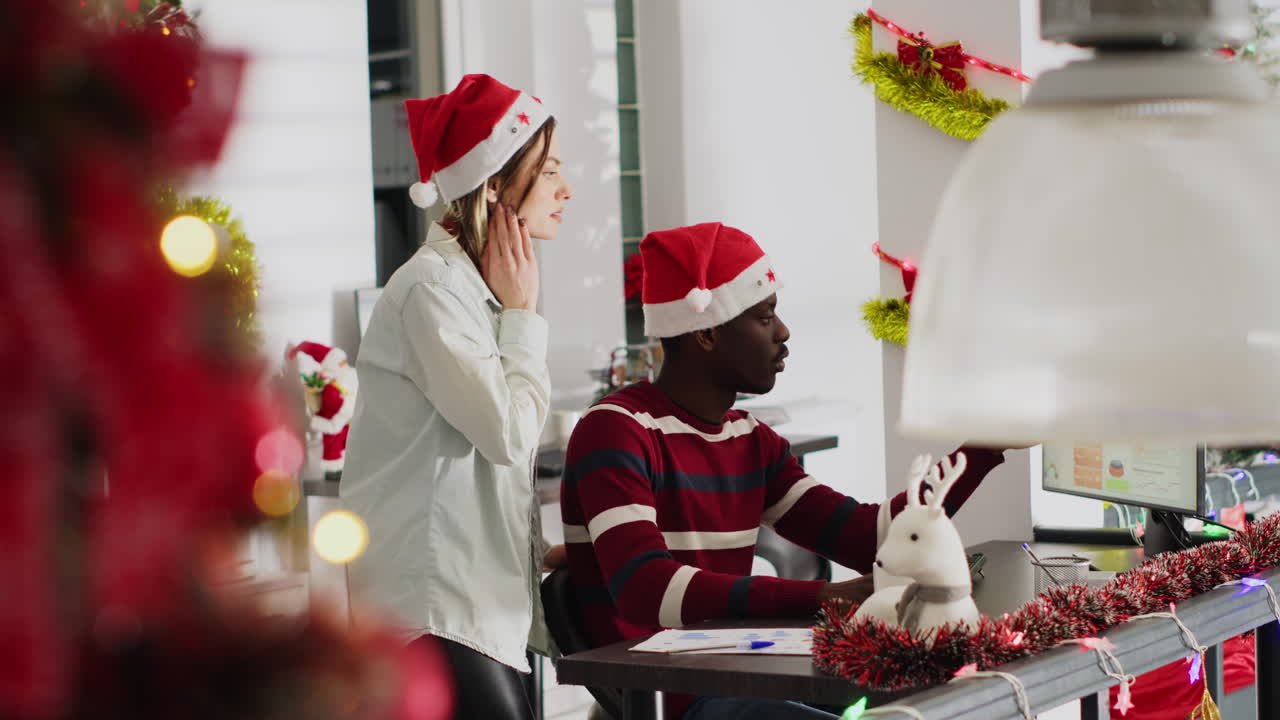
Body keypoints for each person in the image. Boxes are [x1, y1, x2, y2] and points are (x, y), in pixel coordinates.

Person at [559, 222, 1009, 720]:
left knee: (944, 701)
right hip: (677, 698)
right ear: (707, 331)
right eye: (765, 316)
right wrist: (823, 597)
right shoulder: (616, 431)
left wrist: (985, 447)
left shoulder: (750, 440)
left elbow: (869, 539)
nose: (783, 332)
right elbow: (646, 589)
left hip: (749, 677)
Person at [341, 74, 573, 720]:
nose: (566, 189)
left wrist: (533, 555)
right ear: (494, 184)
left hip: (482, 605)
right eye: (549, 170)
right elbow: (505, 433)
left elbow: (473, 468)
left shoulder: (476, 289)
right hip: (437, 611)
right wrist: (525, 317)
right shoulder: (430, 290)